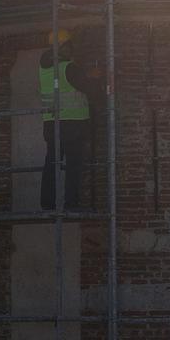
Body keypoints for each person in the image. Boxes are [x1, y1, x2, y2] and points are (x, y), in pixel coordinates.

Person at [39, 29, 100, 210]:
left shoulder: (44, 67)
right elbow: (89, 88)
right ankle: (71, 203)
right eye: (68, 46)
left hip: (51, 124)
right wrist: (96, 77)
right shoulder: (68, 68)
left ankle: (47, 203)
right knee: (73, 165)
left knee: (51, 164)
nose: (71, 49)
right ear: (61, 47)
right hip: (73, 124)